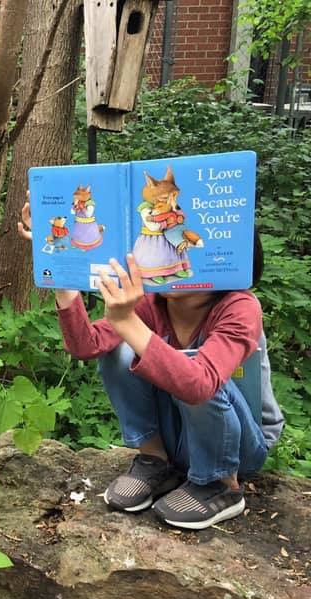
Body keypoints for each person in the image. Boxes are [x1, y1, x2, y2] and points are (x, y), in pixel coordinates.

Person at [19, 203, 283, 530]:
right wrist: (60, 272)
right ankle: (155, 460)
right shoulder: (153, 301)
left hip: (239, 446)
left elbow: (198, 384)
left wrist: (128, 322)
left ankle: (219, 484)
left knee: (191, 367)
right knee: (120, 352)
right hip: (178, 438)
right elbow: (87, 345)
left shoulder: (240, 306)